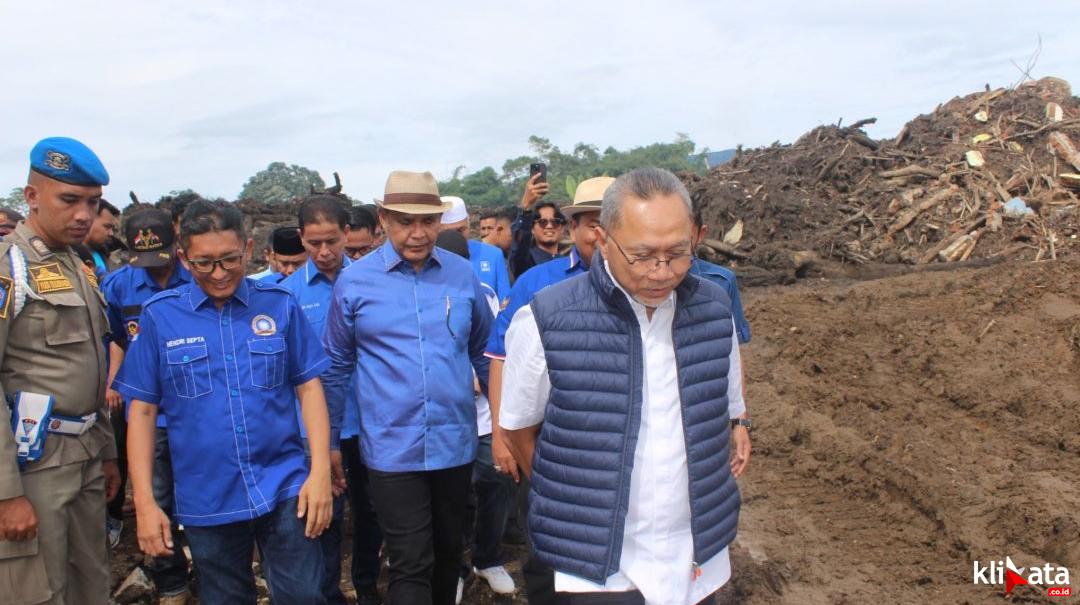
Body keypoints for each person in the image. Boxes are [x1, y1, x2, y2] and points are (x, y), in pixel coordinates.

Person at [499, 168, 752, 605]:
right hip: (601, 565)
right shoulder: (546, 318)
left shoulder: (714, 310)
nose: (661, 271)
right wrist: (577, 502)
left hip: (692, 554)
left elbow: (723, 405)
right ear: (603, 237)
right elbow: (520, 428)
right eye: (642, 255)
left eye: (677, 253)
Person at [113, 200, 334, 604]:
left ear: (248, 249)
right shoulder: (161, 317)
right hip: (206, 493)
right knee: (225, 596)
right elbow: (142, 411)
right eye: (204, 264)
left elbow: (309, 388)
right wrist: (145, 502)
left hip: (284, 484)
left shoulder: (280, 305)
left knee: (303, 594)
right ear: (183, 258)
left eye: (230, 260)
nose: (219, 274)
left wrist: (318, 472)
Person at [322, 171, 493, 605]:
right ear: (383, 219)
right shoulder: (356, 282)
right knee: (410, 559)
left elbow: (485, 354)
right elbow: (336, 367)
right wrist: (327, 444)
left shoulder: (460, 275)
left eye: (428, 222)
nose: (417, 234)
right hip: (391, 447)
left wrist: (505, 426)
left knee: (449, 553)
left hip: (455, 441)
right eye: (404, 221)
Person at [0, 136, 121, 605]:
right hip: (35, 463)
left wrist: (108, 450)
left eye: (91, 203)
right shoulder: (10, 267)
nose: (83, 215)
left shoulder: (79, 266)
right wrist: (7, 493)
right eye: (69, 200)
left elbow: (90, 362)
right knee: (40, 591)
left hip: (86, 453)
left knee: (92, 584)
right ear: (31, 196)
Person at [484, 176, 612, 604]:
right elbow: (500, 358)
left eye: (610, 223)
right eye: (591, 223)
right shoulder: (536, 283)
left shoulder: (647, 287)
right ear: (573, 228)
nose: (600, 234)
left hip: (610, 444)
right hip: (540, 440)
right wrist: (503, 435)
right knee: (544, 550)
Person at [279, 195, 380, 605]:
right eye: (314, 242)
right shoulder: (285, 296)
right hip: (318, 429)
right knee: (325, 515)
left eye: (333, 241)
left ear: (348, 235)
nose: (324, 252)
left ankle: (369, 585)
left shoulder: (373, 283)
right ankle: (327, 592)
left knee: (372, 512)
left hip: (372, 419)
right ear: (301, 238)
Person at [100, 208, 193, 603]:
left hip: (195, 408)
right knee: (154, 498)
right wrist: (113, 383)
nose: (156, 269)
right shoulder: (119, 286)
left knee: (202, 496)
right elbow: (118, 338)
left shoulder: (198, 277)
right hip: (149, 414)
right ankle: (172, 582)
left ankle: (212, 568)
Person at [432, 230, 516, 602]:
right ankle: (454, 568)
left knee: (495, 485)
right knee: (452, 496)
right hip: (446, 416)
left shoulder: (484, 295)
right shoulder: (417, 299)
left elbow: (495, 348)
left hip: (486, 414)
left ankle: (488, 557)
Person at [689, 207, 751, 345]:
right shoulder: (643, 281)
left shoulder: (722, 282)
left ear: (701, 234)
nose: (674, 243)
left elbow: (735, 348)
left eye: (685, 236)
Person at [440, 196, 511, 303]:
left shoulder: (493, 255)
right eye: (449, 232)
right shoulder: (425, 259)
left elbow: (505, 302)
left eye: (460, 230)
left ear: (468, 226)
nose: (455, 237)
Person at [509, 173, 566, 277]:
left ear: (562, 228)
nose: (549, 226)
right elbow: (518, 246)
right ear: (532, 229)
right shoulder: (525, 261)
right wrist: (525, 208)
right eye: (542, 222)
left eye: (555, 222)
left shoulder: (569, 264)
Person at [85, 198, 120, 278]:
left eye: (112, 228)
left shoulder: (103, 254)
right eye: (107, 227)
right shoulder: (70, 258)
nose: (111, 233)